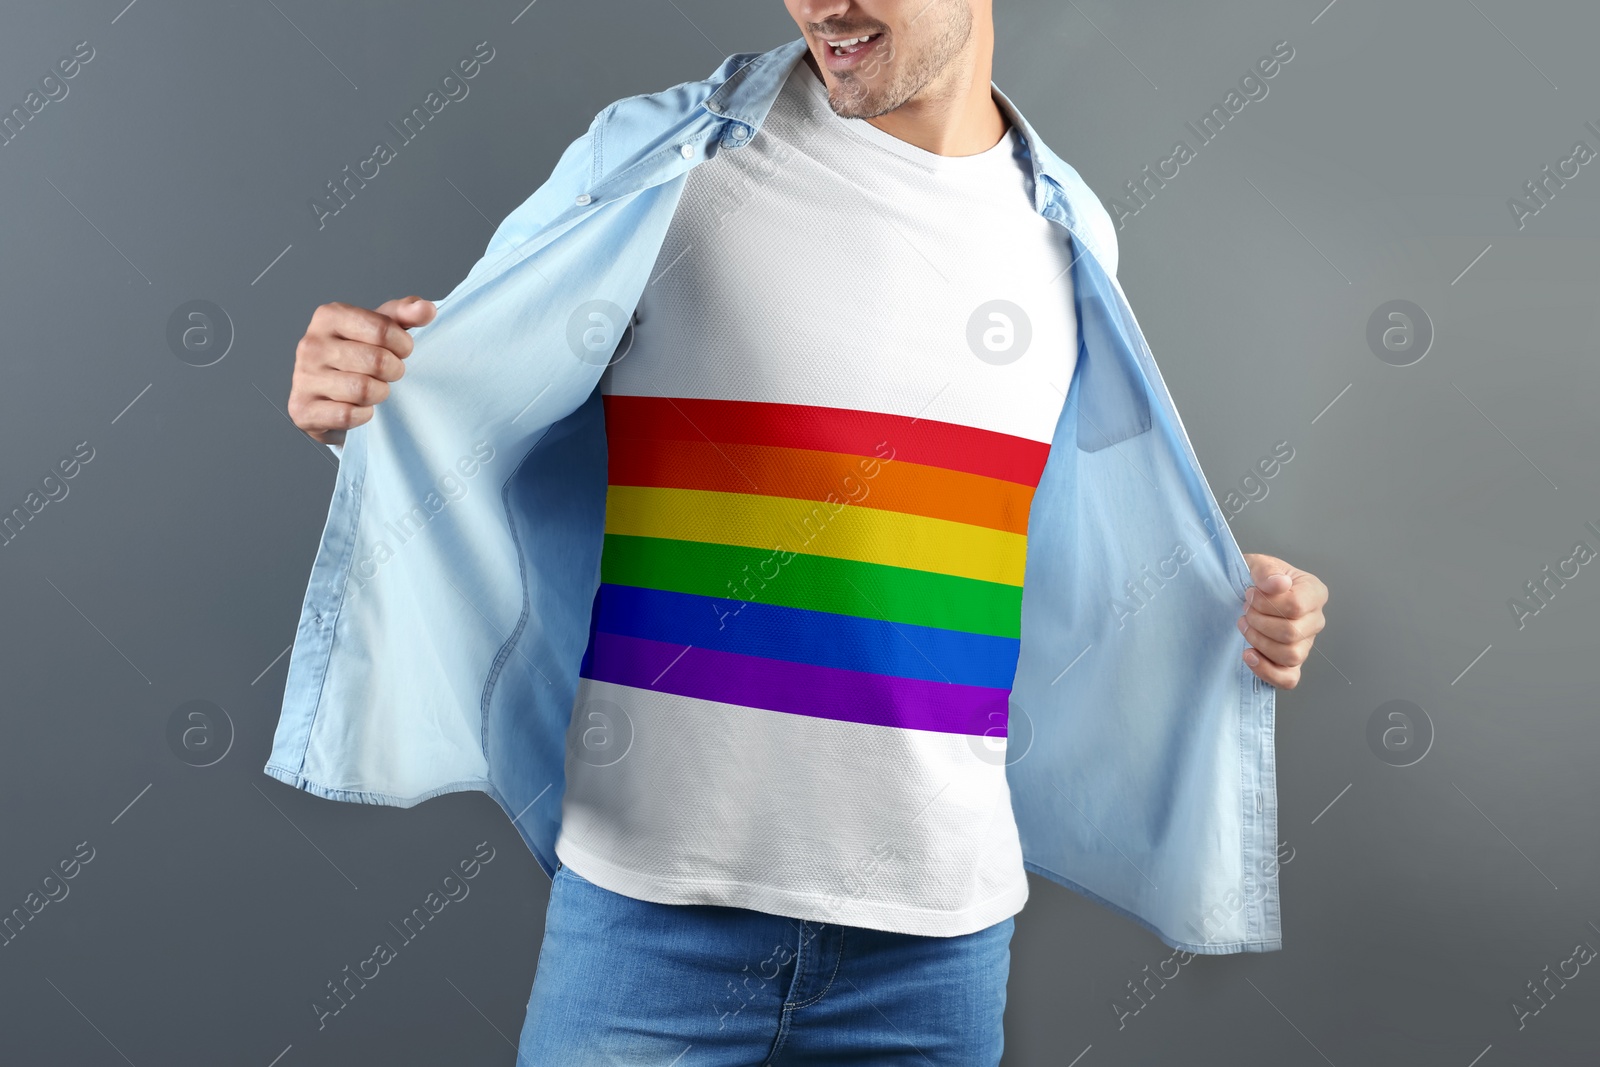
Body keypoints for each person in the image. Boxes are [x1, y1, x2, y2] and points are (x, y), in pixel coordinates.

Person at [278, 1, 1329, 1062]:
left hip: (934, 959)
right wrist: (355, 401)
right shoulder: (660, 162)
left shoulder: (1069, 234)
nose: (824, 3)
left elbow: (1050, 551)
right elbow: (453, 398)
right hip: (648, 927)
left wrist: (1226, 607)